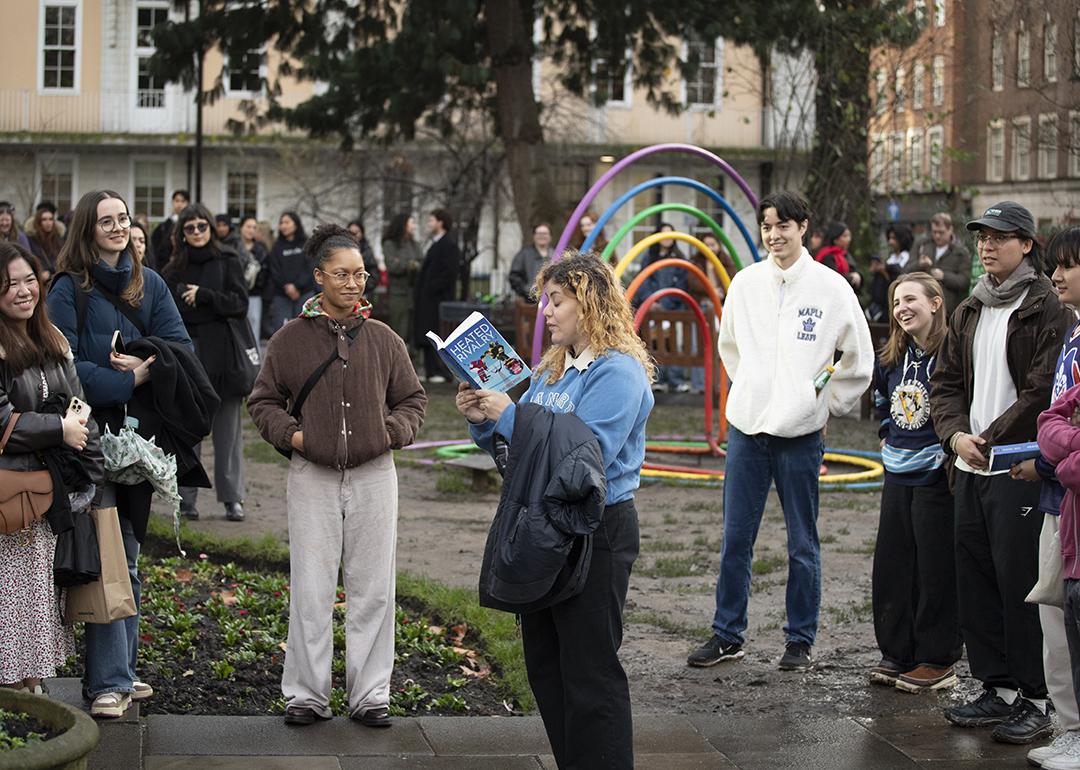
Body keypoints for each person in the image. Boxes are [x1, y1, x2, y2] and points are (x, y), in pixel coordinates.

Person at [457, 250, 654, 769]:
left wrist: (512, 418)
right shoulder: (553, 369)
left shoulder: (620, 372)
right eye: (546, 300)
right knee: (546, 664)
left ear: (588, 303)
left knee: (590, 669)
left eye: (556, 300)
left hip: (598, 529)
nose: (546, 311)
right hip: (544, 524)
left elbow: (582, 456)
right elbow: (523, 452)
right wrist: (485, 419)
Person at [248, 223, 426, 728]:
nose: (353, 284)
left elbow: (412, 399)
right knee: (312, 586)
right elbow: (262, 401)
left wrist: (390, 432)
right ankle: (306, 694)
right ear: (319, 276)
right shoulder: (289, 340)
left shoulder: (385, 340)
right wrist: (295, 438)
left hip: (375, 475)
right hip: (312, 477)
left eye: (360, 274)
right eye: (342, 274)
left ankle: (371, 694)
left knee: (373, 586)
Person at [687, 191, 873, 671]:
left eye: (783, 226)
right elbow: (730, 347)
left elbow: (856, 359)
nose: (774, 235)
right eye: (767, 227)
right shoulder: (746, 284)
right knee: (735, 538)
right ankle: (728, 633)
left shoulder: (831, 288)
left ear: (803, 227)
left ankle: (799, 638)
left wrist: (824, 400)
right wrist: (751, 387)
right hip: (748, 430)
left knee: (801, 542)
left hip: (801, 435)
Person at [930, 201, 1073, 745]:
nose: (988, 246)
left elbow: (1041, 390)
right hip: (968, 466)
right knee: (976, 581)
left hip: (1018, 468)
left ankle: (1035, 698)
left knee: (1020, 586)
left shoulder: (1046, 307)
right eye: (982, 238)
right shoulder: (971, 307)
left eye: (1000, 237)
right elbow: (945, 383)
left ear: (1027, 244)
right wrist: (955, 437)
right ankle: (998, 688)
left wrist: (988, 441)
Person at [49, 189, 193, 719]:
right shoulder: (68, 290)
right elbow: (60, 364)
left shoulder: (148, 283)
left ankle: (120, 676)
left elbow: (181, 349)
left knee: (127, 556)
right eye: (105, 221)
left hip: (137, 442)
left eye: (123, 219)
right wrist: (121, 379)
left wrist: (143, 361)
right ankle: (107, 683)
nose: (115, 228)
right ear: (86, 230)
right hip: (86, 441)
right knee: (107, 554)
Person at [0, 242, 102, 698]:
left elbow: (84, 412)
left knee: (38, 599)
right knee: (10, 600)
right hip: (9, 498)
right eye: (9, 285)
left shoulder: (53, 339)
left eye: (28, 281)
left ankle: (31, 687)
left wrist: (92, 477)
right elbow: (2, 422)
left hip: (49, 495)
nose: (22, 292)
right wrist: (58, 430)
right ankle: (11, 691)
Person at [869, 272, 961, 692]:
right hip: (896, 471)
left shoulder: (954, 353)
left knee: (934, 565)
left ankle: (936, 657)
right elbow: (880, 398)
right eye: (896, 302)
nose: (902, 308)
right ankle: (897, 651)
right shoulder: (890, 356)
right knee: (893, 562)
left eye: (910, 299)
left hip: (935, 473)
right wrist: (888, 429)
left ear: (936, 302)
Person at [1026, 226, 1080, 770]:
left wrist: (1050, 453)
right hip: (1055, 499)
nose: (1056, 275)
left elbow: (1063, 429)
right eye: (1054, 265)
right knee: (1055, 619)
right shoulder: (1071, 334)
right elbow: (1053, 420)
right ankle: (1069, 727)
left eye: (1067, 265)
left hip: (1070, 490)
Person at [162, 203, 250, 522]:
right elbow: (169, 310)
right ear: (181, 233)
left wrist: (205, 297)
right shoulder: (173, 267)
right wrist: (197, 305)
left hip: (223, 355)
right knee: (190, 429)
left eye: (202, 226)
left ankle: (232, 498)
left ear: (211, 228)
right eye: (190, 227)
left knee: (228, 432)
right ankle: (187, 497)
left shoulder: (228, 260)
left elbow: (239, 303)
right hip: (189, 355)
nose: (197, 232)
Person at [635, 224, 692, 393]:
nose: (667, 238)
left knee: (673, 343)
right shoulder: (649, 257)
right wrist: (650, 301)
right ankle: (657, 379)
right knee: (654, 343)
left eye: (670, 234)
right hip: (651, 309)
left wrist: (665, 305)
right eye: (663, 234)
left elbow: (681, 285)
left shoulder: (680, 258)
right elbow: (643, 281)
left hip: (673, 309)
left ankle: (675, 380)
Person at [413, 208, 461, 383]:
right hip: (429, 299)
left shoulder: (448, 245)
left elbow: (450, 272)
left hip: (438, 300)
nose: (429, 224)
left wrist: (431, 287)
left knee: (437, 334)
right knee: (427, 333)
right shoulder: (435, 243)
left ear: (440, 222)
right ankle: (430, 370)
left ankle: (440, 371)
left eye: (431, 220)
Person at [905, 212, 972, 317]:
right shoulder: (922, 245)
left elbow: (964, 282)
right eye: (934, 232)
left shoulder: (961, 252)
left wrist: (944, 276)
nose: (937, 236)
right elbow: (905, 271)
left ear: (950, 230)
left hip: (948, 312)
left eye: (941, 232)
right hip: (921, 308)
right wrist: (919, 264)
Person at [266, 211, 312, 333]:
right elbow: (275, 270)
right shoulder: (277, 247)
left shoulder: (306, 244)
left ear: (296, 224)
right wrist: (287, 287)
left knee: (305, 330)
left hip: (304, 293)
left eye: (287, 222)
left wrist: (296, 286)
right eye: (281, 223)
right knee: (281, 330)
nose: (283, 226)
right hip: (282, 294)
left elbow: (310, 267)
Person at [381, 213, 423, 345]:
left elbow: (421, 263)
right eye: (412, 223)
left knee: (413, 331)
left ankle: (412, 362)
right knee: (399, 331)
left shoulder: (414, 244)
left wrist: (406, 263)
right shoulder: (390, 244)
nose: (414, 226)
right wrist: (410, 264)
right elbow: (393, 266)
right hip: (398, 294)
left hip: (414, 293)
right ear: (403, 225)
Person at [868, 225, 915, 322]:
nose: (890, 242)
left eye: (894, 238)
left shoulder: (909, 259)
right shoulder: (891, 259)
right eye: (889, 238)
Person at [239, 216, 270, 349]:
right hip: (237, 293)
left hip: (254, 294)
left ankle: (254, 362)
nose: (251, 230)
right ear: (241, 227)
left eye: (254, 227)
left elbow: (265, 271)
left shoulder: (260, 249)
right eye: (248, 226)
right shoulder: (234, 247)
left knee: (254, 326)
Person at [815, 221, 862, 293]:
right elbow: (832, 278)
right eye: (845, 236)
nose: (848, 239)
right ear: (835, 239)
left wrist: (858, 276)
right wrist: (851, 277)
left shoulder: (846, 254)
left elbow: (855, 269)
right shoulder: (827, 255)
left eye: (849, 236)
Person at [508, 223, 552, 300]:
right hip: (528, 303)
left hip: (550, 301)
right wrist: (526, 291)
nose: (542, 236)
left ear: (550, 236)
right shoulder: (523, 255)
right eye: (539, 233)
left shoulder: (556, 254)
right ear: (534, 236)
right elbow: (514, 276)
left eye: (545, 233)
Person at [149, 190, 190, 269]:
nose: (179, 204)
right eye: (177, 201)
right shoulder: (163, 227)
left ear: (187, 203)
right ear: (173, 202)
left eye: (183, 201)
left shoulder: (192, 226)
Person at [25, 202, 65, 282]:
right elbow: (30, 259)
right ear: (38, 221)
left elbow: (64, 260)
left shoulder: (58, 239)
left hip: (56, 279)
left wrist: (50, 271)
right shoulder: (31, 239)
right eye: (44, 219)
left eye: (50, 219)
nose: (48, 222)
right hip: (38, 279)